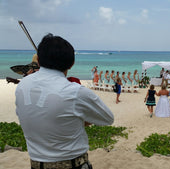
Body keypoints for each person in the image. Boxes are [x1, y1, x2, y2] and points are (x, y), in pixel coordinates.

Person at [15, 33, 114, 169]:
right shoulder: (76, 92)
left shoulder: (22, 86)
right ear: (72, 63)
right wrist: (77, 120)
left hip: (36, 165)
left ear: (38, 60)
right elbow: (108, 118)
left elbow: (33, 116)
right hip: (73, 165)